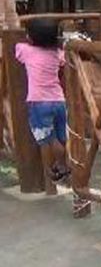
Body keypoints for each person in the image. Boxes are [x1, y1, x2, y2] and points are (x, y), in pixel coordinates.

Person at [15, 18, 69, 182]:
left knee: (48, 138)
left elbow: (17, 48)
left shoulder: (26, 51)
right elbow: (63, 59)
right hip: (58, 100)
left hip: (39, 102)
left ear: (31, 38)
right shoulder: (57, 53)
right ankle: (59, 166)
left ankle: (62, 164)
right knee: (60, 137)